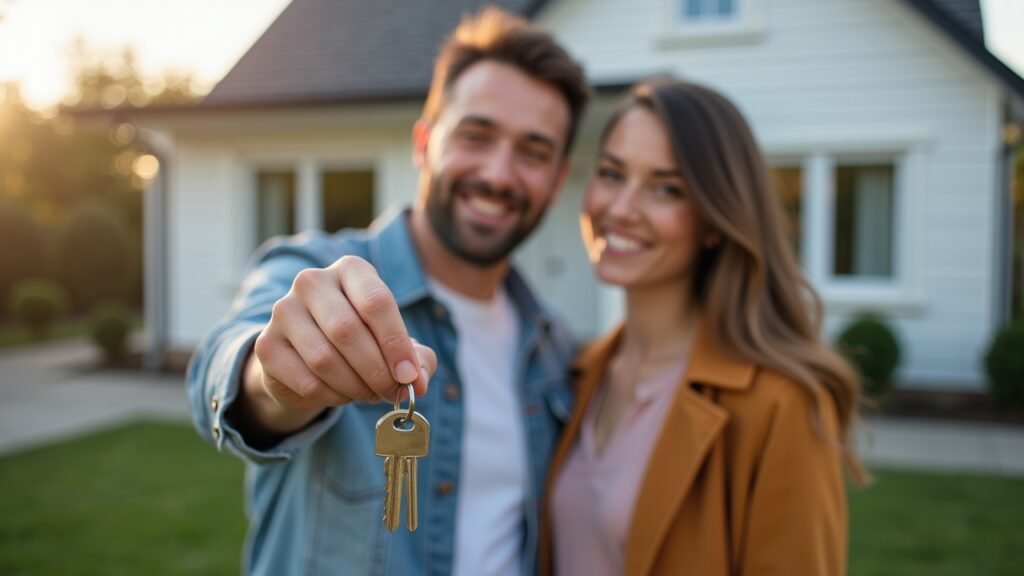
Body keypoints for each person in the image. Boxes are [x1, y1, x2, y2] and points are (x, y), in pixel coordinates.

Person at [186, 8, 589, 575]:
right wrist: (276, 378)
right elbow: (227, 367)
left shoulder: (554, 347)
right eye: (476, 136)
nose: (499, 174)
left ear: (557, 178)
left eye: (533, 151)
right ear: (424, 144)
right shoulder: (314, 270)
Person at [542, 78, 867, 576]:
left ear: (715, 219)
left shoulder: (783, 405)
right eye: (611, 174)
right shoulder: (581, 370)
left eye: (666, 188)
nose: (620, 208)